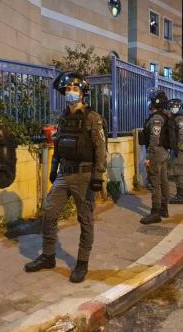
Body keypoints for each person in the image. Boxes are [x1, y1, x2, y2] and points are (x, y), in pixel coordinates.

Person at [24, 72, 107, 283]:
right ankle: (48, 255)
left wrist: (98, 175)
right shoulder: (63, 117)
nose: (71, 92)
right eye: (68, 89)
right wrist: (54, 168)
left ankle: (82, 263)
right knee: (49, 212)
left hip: (84, 175)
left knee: (85, 219)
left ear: (83, 93)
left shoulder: (92, 118)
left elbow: (100, 148)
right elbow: (58, 145)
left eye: (75, 89)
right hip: (64, 174)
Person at [138, 89, 171, 224]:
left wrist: (148, 155)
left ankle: (155, 212)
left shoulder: (156, 118)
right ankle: (164, 208)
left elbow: (154, 138)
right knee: (163, 180)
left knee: (155, 183)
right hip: (163, 152)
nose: (149, 103)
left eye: (151, 101)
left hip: (156, 153)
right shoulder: (165, 115)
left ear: (154, 103)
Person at [168, 98, 183, 204]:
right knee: (181, 169)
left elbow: (181, 135)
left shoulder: (180, 119)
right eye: (171, 106)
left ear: (180, 107)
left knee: (178, 171)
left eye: (175, 106)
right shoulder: (175, 117)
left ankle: (179, 196)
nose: (173, 108)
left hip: (179, 146)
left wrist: (177, 147)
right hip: (179, 146)